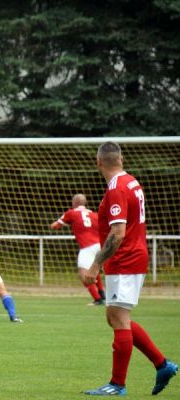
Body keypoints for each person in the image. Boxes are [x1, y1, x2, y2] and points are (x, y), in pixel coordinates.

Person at [81, 141, 177, 396]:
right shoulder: (132, 182)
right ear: (121, 159)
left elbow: (118, 233)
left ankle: (117, 384)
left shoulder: (116, 188)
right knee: (114, 317)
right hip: (129, 258)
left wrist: (95, 264)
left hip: (125, 260)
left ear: (98, 162)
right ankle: (162, 364)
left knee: (119, 319)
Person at [50, 194, 106, 305]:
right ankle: (102, 294)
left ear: (74, 202)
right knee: (93, 269)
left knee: (83, 274)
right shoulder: (95, 215)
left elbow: (54, 226)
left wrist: (68, 224)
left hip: (87, 247)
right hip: (100, 246)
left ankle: (97, 299)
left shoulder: (71, 213)